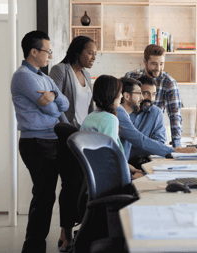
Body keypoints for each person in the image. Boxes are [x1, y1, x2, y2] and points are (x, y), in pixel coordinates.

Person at [11, 30, 69, 253]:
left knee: (46, 196)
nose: (50, 56)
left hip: (50, 140)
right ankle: (33, 248)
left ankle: (35, 247)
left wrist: (54, 94)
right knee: (44, 197)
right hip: (36, 142)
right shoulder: (23, 76)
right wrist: (54, 100)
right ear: (34, 52)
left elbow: (63, 103)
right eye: (48, 51)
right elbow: (51, 108)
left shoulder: (44, 78)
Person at [49, 36, 97, 252]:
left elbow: (88, 109)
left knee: (81, 184)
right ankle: (65, 233)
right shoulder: (60, 70)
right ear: (78, 51)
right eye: (90, 52)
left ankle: (77, 230)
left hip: (82, 138)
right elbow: (56, 105)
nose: (93, 57)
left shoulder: (87, 75)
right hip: (66, 137)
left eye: (96, 54)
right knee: (69, 185)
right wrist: (70, 130)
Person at [116, 77, 197, 162]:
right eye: (142, 93)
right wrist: (176, 151)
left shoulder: (155, 112)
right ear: (126, 96)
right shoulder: (119, 114)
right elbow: (139, 140)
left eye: (154, 94)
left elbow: (156, 142)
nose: (143, 98)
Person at [81, 75, 143, 179]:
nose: (122, 96)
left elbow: (104, 155)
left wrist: (129, 168)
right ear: (111, 94)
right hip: (106, 180)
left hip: (92, 177)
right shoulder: (109, 119)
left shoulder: (91, 117)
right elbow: (110, 158)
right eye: (119, 92)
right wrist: (131, 177)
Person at [125, 44, 183, 148]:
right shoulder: (131, 77)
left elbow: (175, 114)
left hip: (152, 134)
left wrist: (177, 146)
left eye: (161, 64)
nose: (158, 68)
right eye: (154, 64)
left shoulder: (168, 83)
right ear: (144, 62)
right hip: (130, 131)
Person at [128, 75, 167, 169]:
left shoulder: (156, 113)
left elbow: (159, 143)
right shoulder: (125, 111)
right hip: (122, 163)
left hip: (143, 164)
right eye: (146, 93)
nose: (151, 98)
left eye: (153, 94)